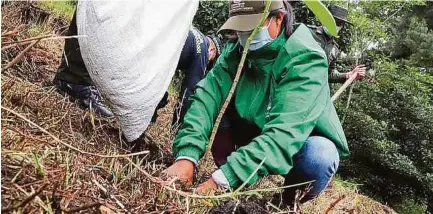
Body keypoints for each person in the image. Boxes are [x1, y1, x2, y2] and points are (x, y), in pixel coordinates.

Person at [163, 0, 349, 206]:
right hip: (250, 128)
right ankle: (229, 168)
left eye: (251, 27)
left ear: (278, 18)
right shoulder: (237, 50)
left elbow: (284, 134)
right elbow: (207, 97)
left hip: (296, 143)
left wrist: (219, 183)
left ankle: (286, 202)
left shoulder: (306, 59)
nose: (245, 35)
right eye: (240, 28)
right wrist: (186, 156)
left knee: (320, 155)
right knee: (213, 103)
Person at [53, 11, 223, 123]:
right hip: (151, 52)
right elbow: (188, 93)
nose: (208, 65)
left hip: (147, 43)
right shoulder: (202, 50)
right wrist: (177, 129)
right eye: (211, 62)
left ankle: (74, 77)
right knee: (155, 93)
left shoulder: (191, 33)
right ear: (212, 50)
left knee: (158, 92)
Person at [309, 5, 366, 83]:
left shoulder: (334, 49)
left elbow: (330, 74)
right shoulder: (308, 32)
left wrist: (347, 75)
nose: (335, 25)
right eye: (333, 21)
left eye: (339, 23)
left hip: (316, 90)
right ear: (324, 19)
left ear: (342, 26)